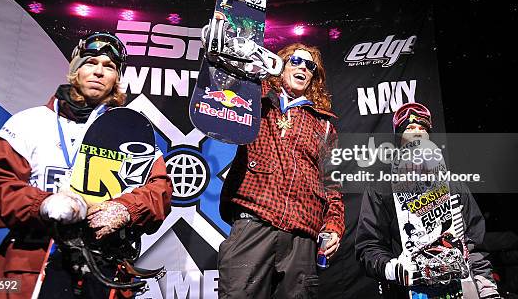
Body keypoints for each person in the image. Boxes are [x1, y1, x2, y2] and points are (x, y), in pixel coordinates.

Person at [0, 32, 173, 298]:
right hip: (35, 264)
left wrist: (126, 208)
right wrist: (42, 204)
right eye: (91, 62)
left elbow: (160, 191)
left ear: (117, 78)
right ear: (75, 69)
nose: (99, 72)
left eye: (109, 67)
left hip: (103, 268)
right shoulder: (30, 123)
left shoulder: (129, 132)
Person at [215, 35, 345, 296]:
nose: (303, 68)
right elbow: (225, 82)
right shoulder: (256, 99)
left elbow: (331, 183)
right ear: (281, 65)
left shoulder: (325, 124)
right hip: (254, 223)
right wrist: (226, 30)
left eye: (310, 67)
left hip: (302, 236)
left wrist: (333, 226)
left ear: (314, 78)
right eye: (295, 61)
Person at [355, 102, 501, 299]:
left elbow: (475, 243)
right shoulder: (382, 189)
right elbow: (369, 245)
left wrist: (487, 288)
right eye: (410, 128)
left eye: (422, 129)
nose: (417, 133)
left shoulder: (454, 185)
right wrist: (391, 268)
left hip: (458, 287)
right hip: (410, 290)